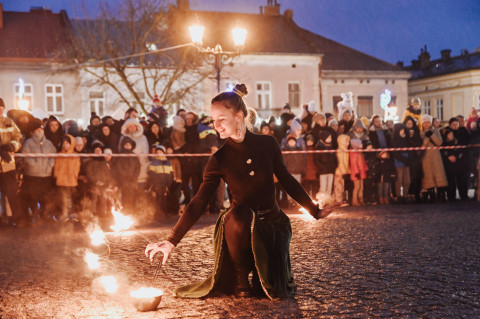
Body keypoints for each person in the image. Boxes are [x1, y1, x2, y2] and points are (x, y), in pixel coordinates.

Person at [145, 84, 334, 300]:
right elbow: (199, 201)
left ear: (239, 116)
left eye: (221, 119)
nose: (216, 126)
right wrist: (171, 240)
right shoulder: (220, 159)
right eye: (213, 120)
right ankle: (240, 276)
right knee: (239, 214)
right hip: (239, 227)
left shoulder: (267, 144)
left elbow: (287, 180)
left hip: (270, 224)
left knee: (272, 289)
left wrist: (315, 210)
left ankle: (262, 274)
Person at [20, 119, 56, 222]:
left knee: (45, 197)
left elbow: (53, 155)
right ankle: (34, 215)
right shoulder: (28, 142)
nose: (40, 131)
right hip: (32, 175)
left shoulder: (48, 143)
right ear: (33, 131)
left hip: (46, 175)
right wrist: (33, 164)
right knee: (33, 197)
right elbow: (25, 156)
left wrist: (50, 165)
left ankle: (45, 216)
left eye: (41, 129)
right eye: (37, 129)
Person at [0, 98, 26, 226]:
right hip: (4, 160)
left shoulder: (9, 122)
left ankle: (18, 220)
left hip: (7, 165)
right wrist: (1, 151)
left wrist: (12, 146)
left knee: (12, 194)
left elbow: (18, 137)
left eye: (1, 108)